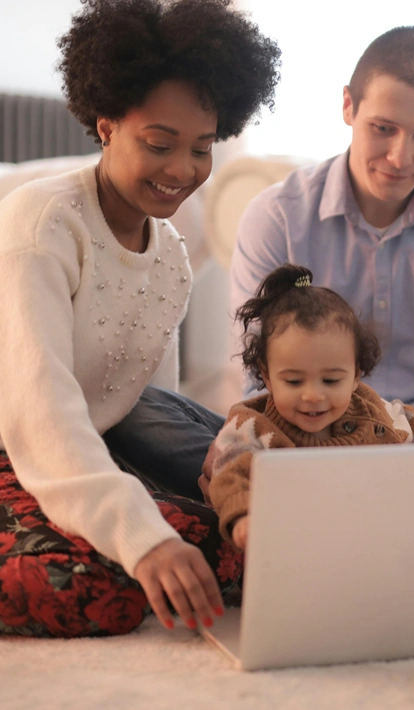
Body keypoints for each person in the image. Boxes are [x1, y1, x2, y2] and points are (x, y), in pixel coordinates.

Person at [0, 0, 280, 637]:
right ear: (105, 123)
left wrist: (212, 488)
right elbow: (39, 411)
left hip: (96, 444)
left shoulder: (173, 258)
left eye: (202, 149)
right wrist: (144, 539)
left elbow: (144, 407)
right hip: (17, 444)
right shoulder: (41, 224)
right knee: (95, 587)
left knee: (238, 541)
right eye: (159, 144)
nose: (182, 170)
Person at [230, 25, 414, 441]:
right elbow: (260, 383)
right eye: (383, 128)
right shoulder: (277, 218)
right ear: (348, 106)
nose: (400, 157)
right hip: (307, 439)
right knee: (155, 415)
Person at [209, 264, 414, 550]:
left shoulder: (369, 410)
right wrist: (244, 516)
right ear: (267, 376)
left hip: (375, 540)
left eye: (331, 380)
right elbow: (229, 475)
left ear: (356, 375)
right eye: (295, 381)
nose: (313, 395)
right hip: (295, 547)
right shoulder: (250, 426)